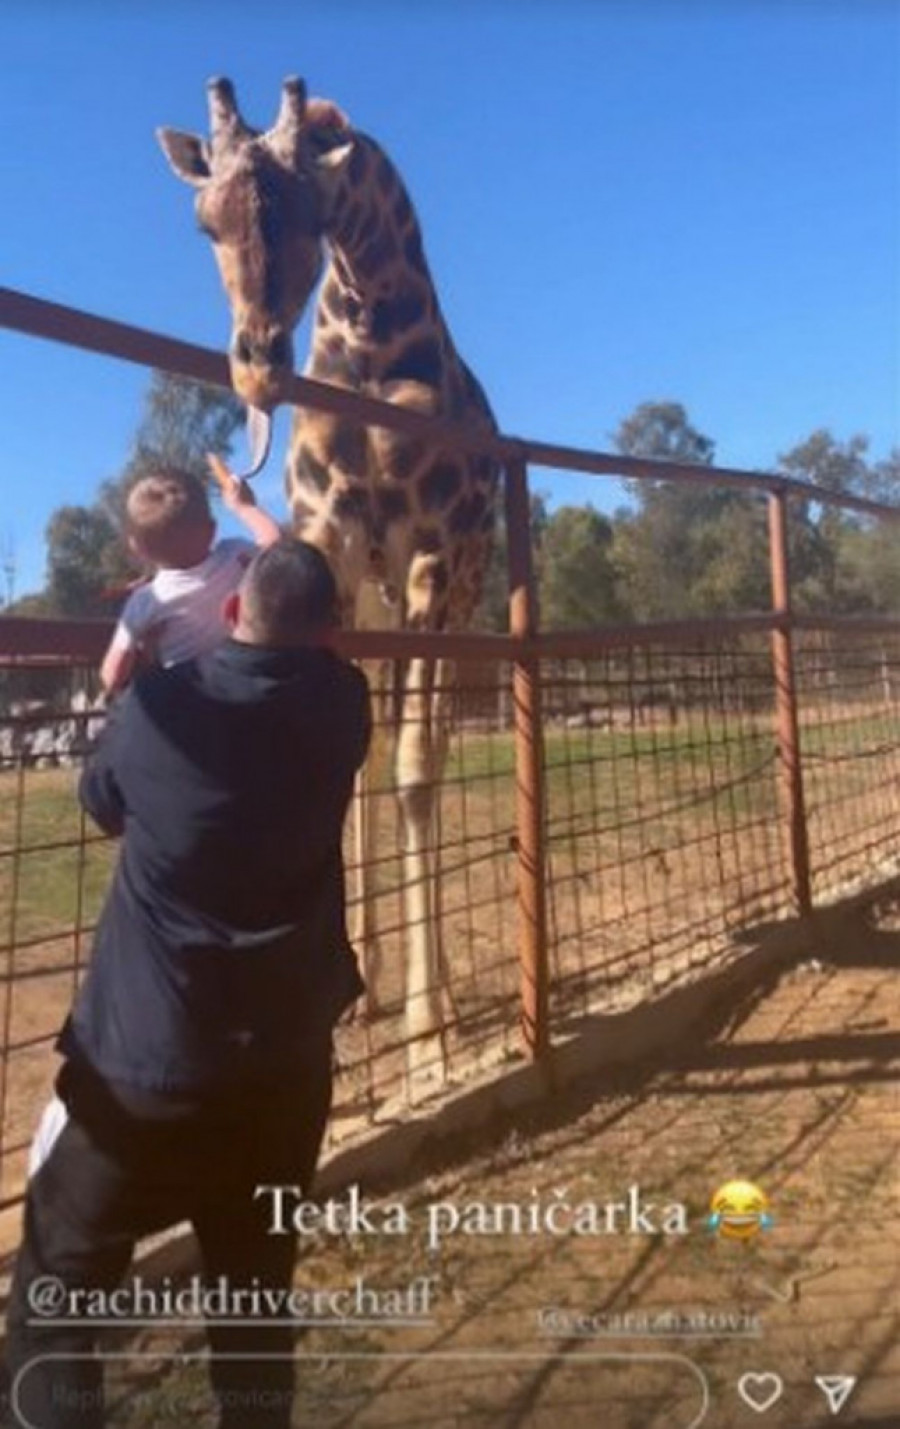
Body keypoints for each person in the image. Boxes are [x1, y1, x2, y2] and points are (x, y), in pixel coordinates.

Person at [7, 539, 371, 1429]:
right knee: (254, 1294)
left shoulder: (160, 704)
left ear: (235, 611)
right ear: (329, 632)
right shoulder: (346, 704)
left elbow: (101, 800)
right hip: (285, 1071)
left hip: (149, 1068)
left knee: (56, 1294)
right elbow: (312, 660)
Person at [99, 459, 282, 696]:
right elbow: (275, 545)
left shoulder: (146, 600)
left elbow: (113, 676)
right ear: (212, 530)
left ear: (136, 548)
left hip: (185, 701)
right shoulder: (234, 556)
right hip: (240, 689)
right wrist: (244, 507)